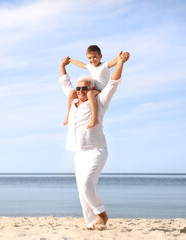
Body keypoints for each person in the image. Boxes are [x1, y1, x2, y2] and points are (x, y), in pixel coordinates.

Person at [59, 51, 130, 230]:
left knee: (86, 183)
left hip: (97, 150)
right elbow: (65, 82)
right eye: (79, 88)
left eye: (85, 88)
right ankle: (92, 223)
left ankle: (101, 214)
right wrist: (62, 66)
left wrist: (120, 62)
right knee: (82, 190)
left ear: (92, 89)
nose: (81, 91)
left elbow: (113, 83)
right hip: (79, 152)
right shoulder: (74, 100)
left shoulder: (99, 101)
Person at [63, 45, 119, 129]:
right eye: (89, 58)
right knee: (72, 93)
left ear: (100, 56)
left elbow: (113, 62)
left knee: (89, 94)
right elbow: (80, 64)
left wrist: (120, 57)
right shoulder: (90, 67)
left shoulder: (104, 65)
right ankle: (68, 115)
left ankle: (94, 119)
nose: (92, 60)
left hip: (100, 91)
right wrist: (70, 60)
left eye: (94, 57)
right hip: (92, 89)